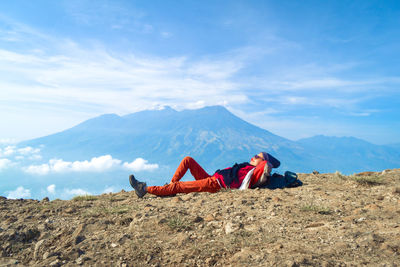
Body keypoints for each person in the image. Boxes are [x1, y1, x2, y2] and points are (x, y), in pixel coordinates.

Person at [129, 152, 280, 198]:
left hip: (215, 185)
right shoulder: (248, 167)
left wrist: (266, 161)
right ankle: (170, 188)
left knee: (181, 186)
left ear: (262, 161)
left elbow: (267, 166)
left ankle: (145, 189)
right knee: (188, 160)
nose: (253, 157)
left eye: (257, 156)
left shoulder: (254, 171)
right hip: (211, 178)